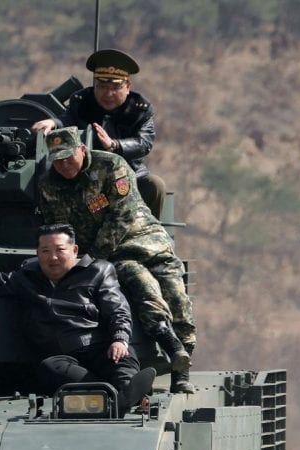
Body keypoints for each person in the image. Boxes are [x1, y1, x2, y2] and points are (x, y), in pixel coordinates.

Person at [36, 126, 195, 393]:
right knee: (142, 283)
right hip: (114, 256)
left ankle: (182, 365)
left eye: (68, 157)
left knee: (176, 293)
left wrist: (92, 259)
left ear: (82, 150)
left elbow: (122, 215)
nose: (63, 165)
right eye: (57, 160)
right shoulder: (49, 185)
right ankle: (170, 344)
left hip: (142, 239)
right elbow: (59, 229)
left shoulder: (111, 166)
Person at [0, 224, 155, 415]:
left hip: (99, 347)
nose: (53, 257)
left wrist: (119, 338)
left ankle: (125, 393)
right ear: (38, 253)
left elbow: (117, 309)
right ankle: (114, 397)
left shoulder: (98, 271)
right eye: (45, 251)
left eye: (60, 250)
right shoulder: (28, 276)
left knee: (123, 357)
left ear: (74, 250)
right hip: (62, 357)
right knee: (50, 367)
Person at [31, 49, 167, 220]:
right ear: (94, 84)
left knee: (155, 186)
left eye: (115, 87)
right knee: (93, 206)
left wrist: (114, 145)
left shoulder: (139, 109)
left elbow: (144, 143)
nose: (108, 94)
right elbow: (67, 120)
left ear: (127, 86)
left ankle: (148, 231)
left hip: (127, 178)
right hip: (89, 181)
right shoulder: (82, 102)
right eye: (102, 87)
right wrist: (53, 123)